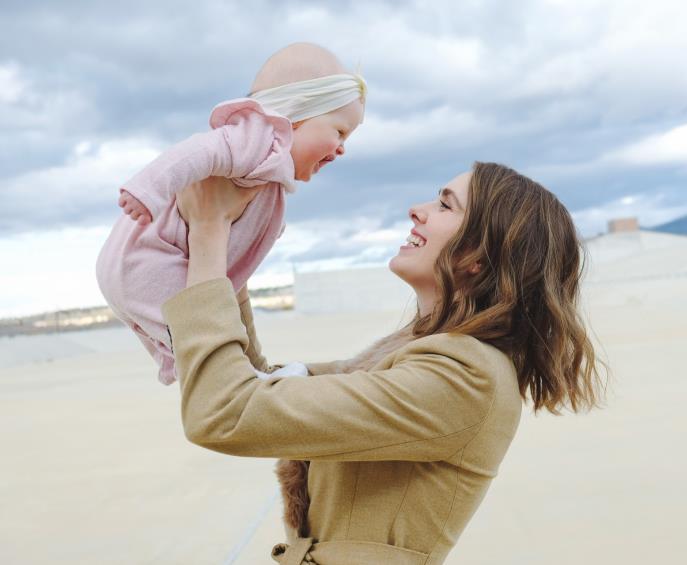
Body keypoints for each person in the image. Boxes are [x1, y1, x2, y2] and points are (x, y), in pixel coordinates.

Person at [162, 162, 605, 564]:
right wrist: (229, 246)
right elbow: (264, 389)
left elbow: (223, 411)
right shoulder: (420, 356)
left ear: (480, 256)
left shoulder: (464, 377)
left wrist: (208, 231)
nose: (417, 210)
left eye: (445, 205)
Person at [96, 43, 366, 384]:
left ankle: (205, 368)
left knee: (200, 326)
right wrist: (147, 190)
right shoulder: (255, 140)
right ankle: (233, 376)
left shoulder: (270, 180)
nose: (342, 148)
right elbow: (197, 151)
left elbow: (230, 283)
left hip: (139, 269)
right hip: (146, 261)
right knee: (199, 331)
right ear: (296, 115)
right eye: (339, 132)